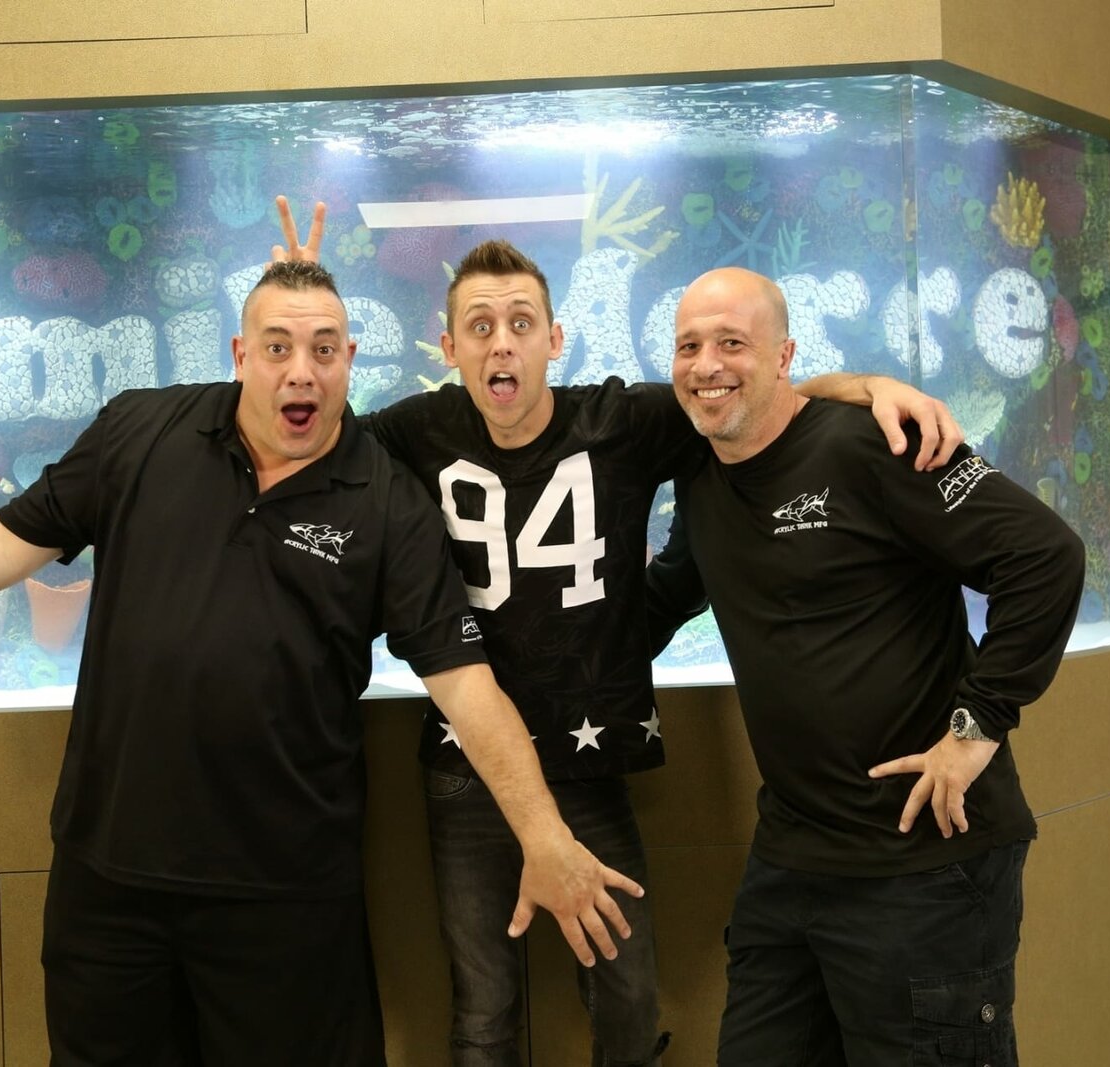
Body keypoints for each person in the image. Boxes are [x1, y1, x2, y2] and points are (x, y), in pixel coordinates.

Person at [0, 261, 645, 1066]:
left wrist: (544, 835)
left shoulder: (387, 499)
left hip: (287, 900)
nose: (301, 369)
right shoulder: (142, 433)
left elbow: (466, 685)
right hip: (112, 887)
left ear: (351, 362)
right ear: (239, 354)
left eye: (324, 349)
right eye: (277, 346)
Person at [272, 202, 967, 1066]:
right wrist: (297, 303)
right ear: (447, 347)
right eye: (479, 327)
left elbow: (750, 398)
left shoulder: (623, 421)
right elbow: (307, 432)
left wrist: (871, 387)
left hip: (589, 760)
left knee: (629, 992)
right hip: (467, 765)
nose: (501, 344)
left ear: (555, 339)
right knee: (484, 1004)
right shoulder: (416, 430)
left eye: (520, 324)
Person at [645, 266, 1086, 1066]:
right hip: (791, 860)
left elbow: (1045, 556)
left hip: (924, 864)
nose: (707, 364)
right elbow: (664, 596)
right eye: (689, 345)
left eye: (732, 342)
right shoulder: (702, 472)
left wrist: (978, 725)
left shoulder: (875, 444)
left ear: (785, 356)